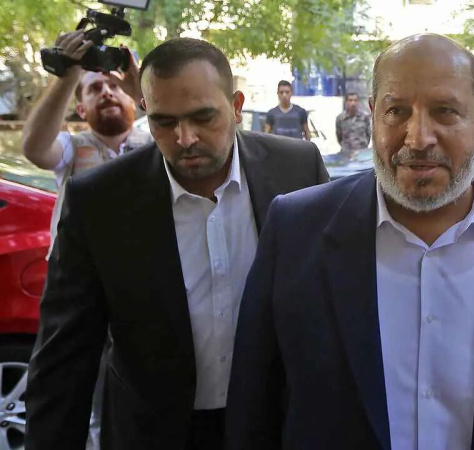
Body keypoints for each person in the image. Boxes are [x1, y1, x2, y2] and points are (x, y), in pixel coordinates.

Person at [226, 33, 474, 450]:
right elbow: (254, 413)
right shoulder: (295, 233)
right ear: (372, 115)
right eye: (396, 111)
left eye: (444, 112)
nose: (418, 139)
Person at [25, 37, 329, 450]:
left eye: (203, 117)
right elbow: (64, 359)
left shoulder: (298, 169)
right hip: (154, 433)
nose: (185, 138)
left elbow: (331, 307)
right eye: (164, 122)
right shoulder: (99, 201)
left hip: (276, 428)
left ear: (236, 106)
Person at [20, 30, 151, 450]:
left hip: (142, 291)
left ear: (133, 102)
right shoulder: (72, 150)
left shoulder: (154, 146)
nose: (107, 92)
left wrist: (141, 85)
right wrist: (69, 74)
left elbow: (176, 123)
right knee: (74, 391)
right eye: (95, 88)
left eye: (115, 86)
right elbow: (34, 147)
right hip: (81, 293)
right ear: (81, 108)